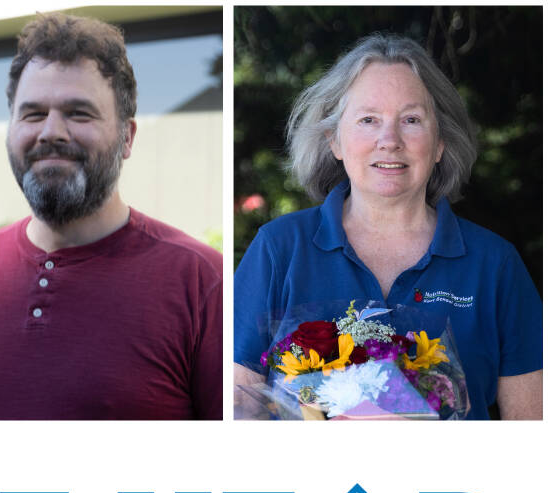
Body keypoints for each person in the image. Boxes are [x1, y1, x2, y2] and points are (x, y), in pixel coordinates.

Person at [0, 13, 222, 420]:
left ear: (127, 137)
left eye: (79, 113)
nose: (51, 132)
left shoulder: (200, 280)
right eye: (33, 114)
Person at [232, 34, 543, 420]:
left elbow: (531, 432)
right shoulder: (278, 250)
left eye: (411, 120)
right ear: (335, 140)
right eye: (368, 120)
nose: (389, 141)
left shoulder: (496, 266)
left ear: (440, 143)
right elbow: (236, 408)